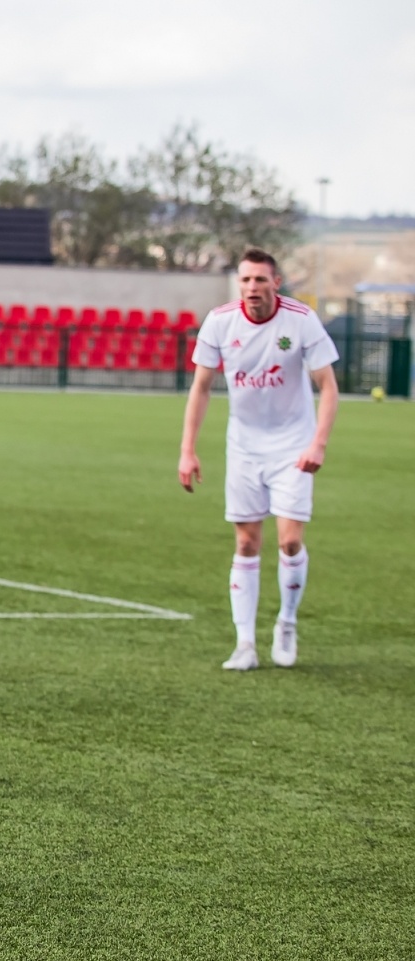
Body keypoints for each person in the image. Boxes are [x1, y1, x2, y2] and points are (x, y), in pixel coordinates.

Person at [179, 248, 339, 671]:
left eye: (260, 280)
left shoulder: (300, 321)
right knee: (247, 542)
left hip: (293, 446)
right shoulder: (220, 321)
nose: (252, 287)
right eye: (246, 280)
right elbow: (200, 387)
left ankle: (286, 621)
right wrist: (187, 450)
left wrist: (318, 443)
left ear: (276, 283)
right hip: (245, 448)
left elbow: (328, 385)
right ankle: (245, 644)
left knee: (289, 540)